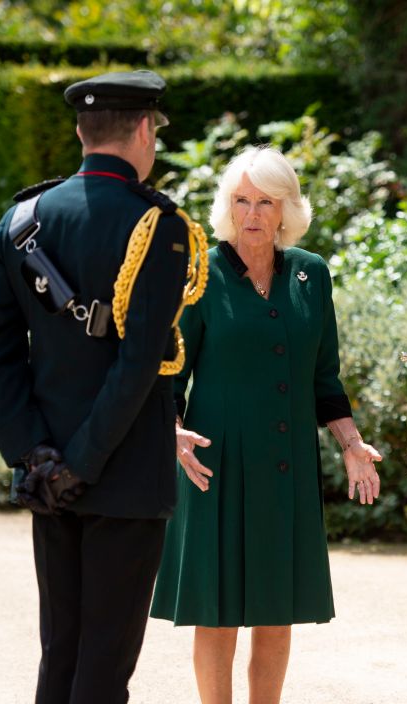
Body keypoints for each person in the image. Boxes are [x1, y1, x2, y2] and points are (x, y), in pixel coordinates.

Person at [0, 69, 205, 704]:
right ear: (142, 130)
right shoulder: (160, 226)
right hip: (121, 473)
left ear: (80, 130)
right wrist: (84, 463)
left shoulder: (21, 219)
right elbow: (138, 365)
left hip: (50, 477)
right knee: (103, 664)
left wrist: (37, 456)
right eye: (153, 129)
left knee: (62, 653)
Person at [150, 146, 383, 704]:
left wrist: (351, 443)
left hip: (286, 468)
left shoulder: (311, 274)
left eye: (265, 202)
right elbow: (167, 370)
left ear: (286, 210)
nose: (252, 213)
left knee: (277, 614)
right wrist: (171, 429)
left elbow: (324, 379)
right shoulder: (200, 274)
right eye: (241, 200)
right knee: (218, 612)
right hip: (215, 465)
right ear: (228, 207)